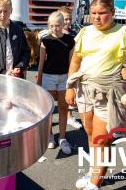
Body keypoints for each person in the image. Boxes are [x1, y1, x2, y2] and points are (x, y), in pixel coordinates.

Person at [65, 0, 126, 190]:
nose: (96, 17)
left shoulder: (124, 31)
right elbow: (76, 60)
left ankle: (94, 183)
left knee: (103, 139)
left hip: (110, 92)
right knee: (91, 135)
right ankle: (96, 172)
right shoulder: (85, 32)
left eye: (102, 13)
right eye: (93, 13)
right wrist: (69, 87)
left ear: (112, 12)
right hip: (85, 89)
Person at [37, 11, 75, 154]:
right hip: (48, 77)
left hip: (64, 77)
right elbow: (41, 62)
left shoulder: (70, 40)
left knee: (64, 108)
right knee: (49, 109)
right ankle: (50, 136)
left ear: (63, 24)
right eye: (51, 26)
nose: (55, 28)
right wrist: (39, 80)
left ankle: (63, 138)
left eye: (57, 25)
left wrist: (72, 82)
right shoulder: (45, 40)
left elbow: (72, 63)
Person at [59, 6, 82, 129]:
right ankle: (66, 116)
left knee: (71, 93)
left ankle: (69, 116)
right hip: (60, 69)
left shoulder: (75, 34)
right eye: (65, 19)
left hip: (72, 69)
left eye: (69, 19)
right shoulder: (56, 34)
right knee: (62, 95)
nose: (68, 22)